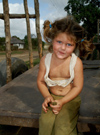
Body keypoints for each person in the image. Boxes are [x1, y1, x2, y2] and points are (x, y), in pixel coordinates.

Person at [37, 15, 94, 135]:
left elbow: (78, 87)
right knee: (45, 125)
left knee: (63, 127)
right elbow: (41, 82)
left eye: (69, 45)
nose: (63, 48)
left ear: (75, 46)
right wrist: (47, 96)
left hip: (70, 99)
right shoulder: (45, 60)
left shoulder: (75, 63)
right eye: (59, 42)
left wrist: (62, 101)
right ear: (52, 39)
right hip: (52, 97)